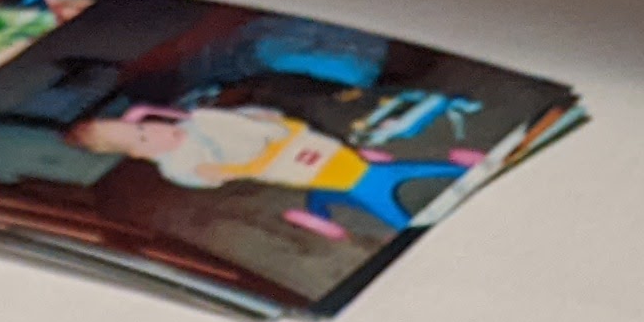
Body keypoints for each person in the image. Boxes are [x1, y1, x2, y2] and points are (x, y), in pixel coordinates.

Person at [68, 102, 479, 239]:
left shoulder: (195, 122)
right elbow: (206, 178)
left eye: (145, 125)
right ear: (139, 155)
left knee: (337, 154)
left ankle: (374, 165)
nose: (155, 132)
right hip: (276, 163)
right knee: (344, 179)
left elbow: (243, 118)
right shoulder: (178, 165)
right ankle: (407, 225)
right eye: (142, 138)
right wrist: (216, 172)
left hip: (288, 141)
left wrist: (262, 116)